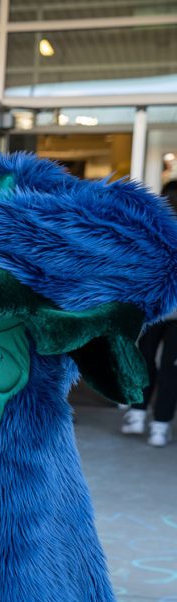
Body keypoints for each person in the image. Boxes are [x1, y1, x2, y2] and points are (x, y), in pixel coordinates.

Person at [121, 180, 177, 447]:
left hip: (162, 311)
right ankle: (141, 416)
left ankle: (158, 423)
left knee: (167, 368)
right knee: (146, 363)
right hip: (153, 310)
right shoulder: (153, 229)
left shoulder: (154, 229)